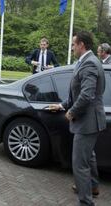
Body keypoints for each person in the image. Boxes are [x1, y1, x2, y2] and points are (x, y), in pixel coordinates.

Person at [48, 31, 106, 206]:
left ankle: (86, 202)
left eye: (73, 44)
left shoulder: (89, 64)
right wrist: (63, 105)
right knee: (89, 156)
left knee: (80, 163)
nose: (72, 47)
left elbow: (87, 95)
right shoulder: (86, 61)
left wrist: (72, 112)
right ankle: (94, 186)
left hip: (87, 121)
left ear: (81, 45)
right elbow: (78, 93)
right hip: (89, 120)